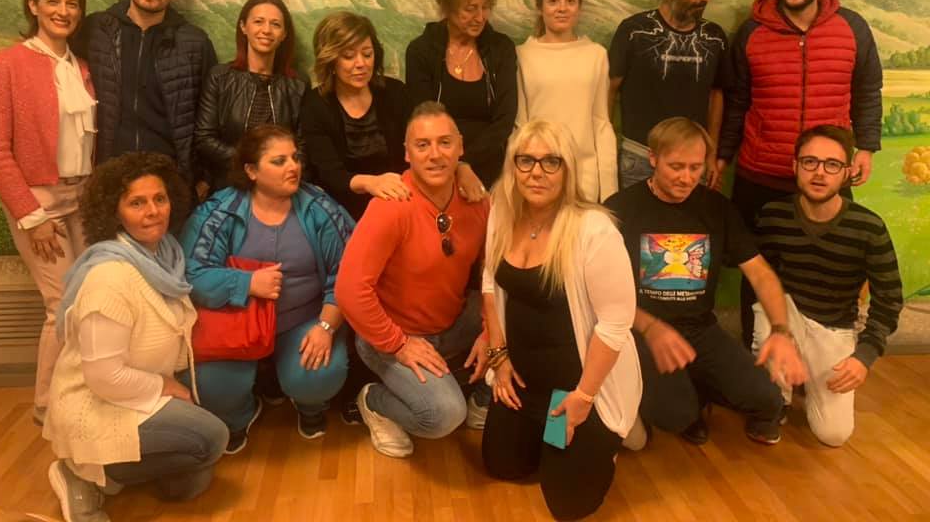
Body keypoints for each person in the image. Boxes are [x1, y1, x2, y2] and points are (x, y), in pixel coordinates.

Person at [42, 153, 228, 522]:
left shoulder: (165, 257)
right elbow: (103, 377)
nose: (153, 211)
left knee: (187, 486)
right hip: (97, 401)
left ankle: (116, 472)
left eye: (160, 199)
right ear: (114, 212)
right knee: (212, 438)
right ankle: (82, 472)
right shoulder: (109, 277)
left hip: (136, 391)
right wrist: (165, 386)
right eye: (137, 203)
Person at [717, 0, 883, 347]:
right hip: (761, 174)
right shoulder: (751, 33)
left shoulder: (852, 28)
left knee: (831, 267)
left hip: (828, 173)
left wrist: (866, 147)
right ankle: (758, 358)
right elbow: (738, 102)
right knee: (757, 269)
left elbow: (867, 91)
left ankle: (823, 355)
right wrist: (722, 157)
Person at [603, 117, 806, 446]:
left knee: (769, 400)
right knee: (677, 415)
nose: (686, 178)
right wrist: (650, 327)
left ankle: (698, 383)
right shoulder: (619, 209)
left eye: (695, 168)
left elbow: (760, 272)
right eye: (676, 167)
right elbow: (600, 291)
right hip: (641, 331)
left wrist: (782, 331)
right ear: (653, 158)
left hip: (700, 329)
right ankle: (682, 397)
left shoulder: (717, 208)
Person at [480, 120, 641, 521]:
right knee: (503, 465)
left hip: (572, 391)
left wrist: (583, 398)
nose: (537, 172)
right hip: (522, 380)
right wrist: (499, 357)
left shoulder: (594, 230)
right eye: (526, 160)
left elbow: (615, 324)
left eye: (550, 161)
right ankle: (558, 443)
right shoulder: (502, 211)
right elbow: (488, 283)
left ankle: (612, 434)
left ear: (567, 169)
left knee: (567, 505)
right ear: (513, 166)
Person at [0, 0, 217, 185]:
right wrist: (2, 61)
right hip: (106, 178)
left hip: (169, 180)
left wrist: (203, 178)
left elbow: (210, 117)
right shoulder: (95, 29)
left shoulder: (194, 43)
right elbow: (50, 49)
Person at [181, 125, 354, 448]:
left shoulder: (320, 208)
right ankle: (239, 415)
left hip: (303, 320)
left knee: (317, 373)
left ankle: (310, 405)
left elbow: (349, 272)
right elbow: (191, 275)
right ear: (251, 171)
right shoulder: (218, 213)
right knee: (211, 385)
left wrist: (326, 327)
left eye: (295, 158)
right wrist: (246, 282)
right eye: (279, 161)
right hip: (236, 323)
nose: (293, 166)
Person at [335, 102, 491, 458]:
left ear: (461, 147)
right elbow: (349, 290)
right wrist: (399, 344)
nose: (435, 154)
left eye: (445, 143)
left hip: (452, 322)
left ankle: (479, 395)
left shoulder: (476, 200)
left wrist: (490, 333)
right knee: (443, 416)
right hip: (391, 334)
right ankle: (372, 401)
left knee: (525, 315)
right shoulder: (392, 206)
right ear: (407, 154)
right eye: (423, 145)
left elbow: (493, 273)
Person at [0, 0, 96, 426]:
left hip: (82, 198)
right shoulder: (5, 65)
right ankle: (47, 405)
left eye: (72, 3)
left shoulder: (81, 68)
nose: (63, 11)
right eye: (53, 1)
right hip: (39, 203)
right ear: (33, 5)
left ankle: (79, 391)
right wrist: (32, 215)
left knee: (87, 298)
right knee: (61, 304)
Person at [754, 125, 903, 447]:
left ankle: (808, 378)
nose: (819, 173)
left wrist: (864, 356)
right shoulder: (773, 216)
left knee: (833, 435)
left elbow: (889, 300)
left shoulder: (869, 227)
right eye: (810, 162)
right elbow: (761, 278)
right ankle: (775, 399)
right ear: (795, 166)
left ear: (847, 173)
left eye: (832, 164)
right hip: (786, 317)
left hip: (833, 327)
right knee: (765, 312)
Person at [608, 0, 730, 190]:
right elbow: (609, 91)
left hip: (692, 162)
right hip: (640, 156)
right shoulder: (634, 31)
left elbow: (716, 95)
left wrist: (711, 152)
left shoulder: (715, 37)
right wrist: (606, 147)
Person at [405, 0, 517, 197]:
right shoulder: (421, 51)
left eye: (485, 8)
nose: (480, 17)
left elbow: (505, 120)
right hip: (437, 165)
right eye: (470, 9)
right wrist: (456, 164)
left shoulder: (501, 48)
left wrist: (466, 162)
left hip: (492, 166)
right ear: (448, 7)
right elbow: (423, 119)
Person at [516, 0, 617, 203]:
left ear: (579, 7)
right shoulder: (522, 55)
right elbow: (520, 126)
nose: (562, 8)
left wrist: (609, 193)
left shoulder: (596, 55)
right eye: (553, 1)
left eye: (570, 1)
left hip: (584, 177)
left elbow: (601, 122)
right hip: (537, 176)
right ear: (540, 7)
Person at [301, 11, 411, 220]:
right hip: (342, 209)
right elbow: (330, 174)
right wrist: (371, 183)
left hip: (399, 199)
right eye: (349, 56)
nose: (361, 64)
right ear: (331, 61)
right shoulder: (315, 105)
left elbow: (416, 149)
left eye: (367, 54)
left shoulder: (396, 92)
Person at [194, 0, 308, 193]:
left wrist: (276, 169)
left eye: (275, 24)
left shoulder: (297, 84)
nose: (266, 30)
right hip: (229, 185)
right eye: (258, 21)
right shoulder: (220, 77)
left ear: (284, 34)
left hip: (281, 188)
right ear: (243, 27)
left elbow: (303, 145)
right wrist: (251, 164)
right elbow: (204, 138)